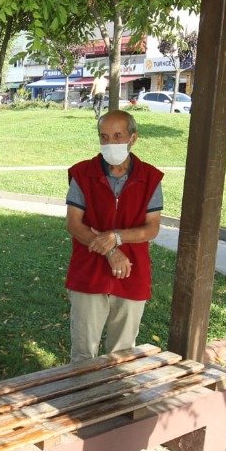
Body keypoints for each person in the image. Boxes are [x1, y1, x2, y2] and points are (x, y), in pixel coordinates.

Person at [64, 109, 164, 363]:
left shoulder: (150, 177)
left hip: (132, 273)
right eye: (104, 137)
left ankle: (116, 398)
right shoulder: (82, 173)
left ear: (133, 138)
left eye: (118, 136)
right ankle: (83, 399)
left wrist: (116, 236)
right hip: (89, 272)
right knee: (83, 352)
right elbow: (74, 224)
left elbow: (152, 228)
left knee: (123, 354)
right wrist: (110, 250)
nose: (110, 143)